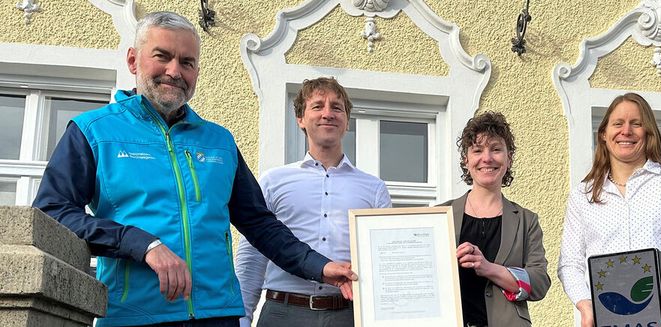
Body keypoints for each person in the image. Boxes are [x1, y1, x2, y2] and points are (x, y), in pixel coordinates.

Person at [32, 12, 356, 327]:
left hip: (217, 315)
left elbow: (259, 224)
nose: (174, 71)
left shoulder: (220, 142)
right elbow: (52, 212)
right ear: (133, 60)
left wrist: (320, 267)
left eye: (187, 62)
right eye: (162, 56)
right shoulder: (93, 131)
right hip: (134, 315)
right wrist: (141, 244)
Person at [235, 77, 391, 327]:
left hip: (348, 314)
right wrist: (242, 320)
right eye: (318, 106)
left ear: (347, 121)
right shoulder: (272, 181)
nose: (328, 114)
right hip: (282, 313)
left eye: (337, 107)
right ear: (300, 119)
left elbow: (386, 258)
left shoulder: (374, 188)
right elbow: (252, 256)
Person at [557, 92, 661, 327]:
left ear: (649, 132)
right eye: (618, 123)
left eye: (636, 123)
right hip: (607, 318)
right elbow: (569, 264)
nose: (626, 131)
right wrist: (585, 304)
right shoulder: (582, 195)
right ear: (603, 134)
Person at [441, 111, 550, 327]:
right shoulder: (440, 215)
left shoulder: (526, 220)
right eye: (477, 150)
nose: (487, 158)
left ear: (509, 158)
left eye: (496, 149)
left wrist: (489, 268)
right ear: (466, 160)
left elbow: (539, 282)